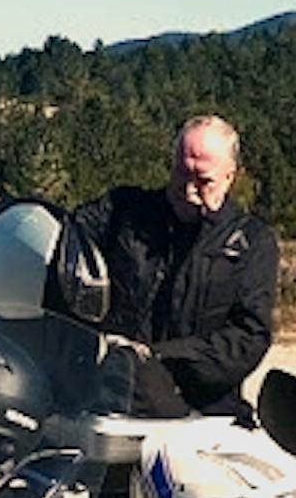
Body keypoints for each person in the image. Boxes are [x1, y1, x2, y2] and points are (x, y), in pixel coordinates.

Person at [63, 116, 281, 420]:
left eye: (203, 180)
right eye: (181, 173)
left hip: (203, 416)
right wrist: (6, 212)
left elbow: (247, 338)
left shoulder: (251, 242)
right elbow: (63, 232)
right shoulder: (125, 211)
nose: (189, 189)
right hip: (113, 401)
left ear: (230, 176)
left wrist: (157, 357)